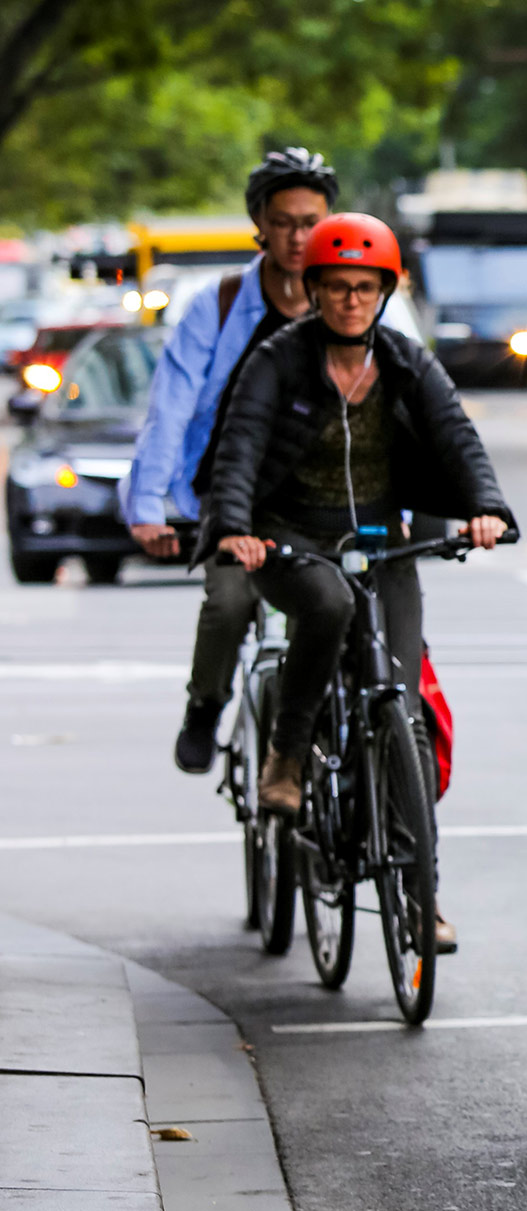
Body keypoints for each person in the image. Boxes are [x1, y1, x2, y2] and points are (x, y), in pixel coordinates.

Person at [197, 213, 516, 953]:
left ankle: (420, 897)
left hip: (380, 538)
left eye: (365, 288)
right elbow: (239, 448)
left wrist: (487, 509)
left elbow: (455, 434)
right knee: (329, 604)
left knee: (404, 708)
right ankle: (286, 756)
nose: (350, 301)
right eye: (335, 287)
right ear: (311, 289)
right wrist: (237, 527)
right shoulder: (278, 361)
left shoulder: (406, 361)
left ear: (386, 290)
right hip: (289, 537)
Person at [122, 149, 339, 773]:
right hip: (233, 492)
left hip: (326, 489)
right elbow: (169, 409)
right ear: (259, 227)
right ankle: (206, 702)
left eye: (311, 222)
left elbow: (403, 412)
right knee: (230, 602)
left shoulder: (356, 297)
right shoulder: (213, 306)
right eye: (285, 222)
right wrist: (148, 507)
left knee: (342, 606)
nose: (299, 237)